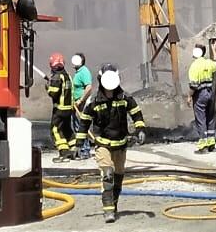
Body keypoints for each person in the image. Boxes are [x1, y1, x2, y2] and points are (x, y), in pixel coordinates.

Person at [82, 65, 146, 223]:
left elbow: (136, 113)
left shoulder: (124, 98)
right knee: (108, 175)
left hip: (121, 145)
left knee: (117, 179)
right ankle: (108, 210)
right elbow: (84, 121)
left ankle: (114, 204)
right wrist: (78, 141)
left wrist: (140, 129)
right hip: (103, 144)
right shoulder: (94, 101)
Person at [43, 52, 78, 158]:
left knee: (55, 129)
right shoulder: (67, 76)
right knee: (67, 129)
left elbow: (53, 93)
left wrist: (48, 87)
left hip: (60, 109)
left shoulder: (57, 77)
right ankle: (74, 149)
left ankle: (64, 151)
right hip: (68, 109)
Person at [188, 43, 216, 152]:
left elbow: (193, 85)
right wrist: (214, 49)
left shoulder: (194, 66)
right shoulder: (208, 63)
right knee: (210, 118)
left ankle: (203, 145)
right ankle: (211, 143)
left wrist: (189, 96)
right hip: (210, 93)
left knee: (201, 119)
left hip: (200, 95)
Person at [68, 52, 94, 153]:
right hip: (77, 104)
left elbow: (89, 88)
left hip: (82, 104)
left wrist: (81, 100)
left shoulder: (84, 71)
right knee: (77, 126)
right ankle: (82, 149)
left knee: (81, 127)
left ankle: (85, 150)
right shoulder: (78, 72)